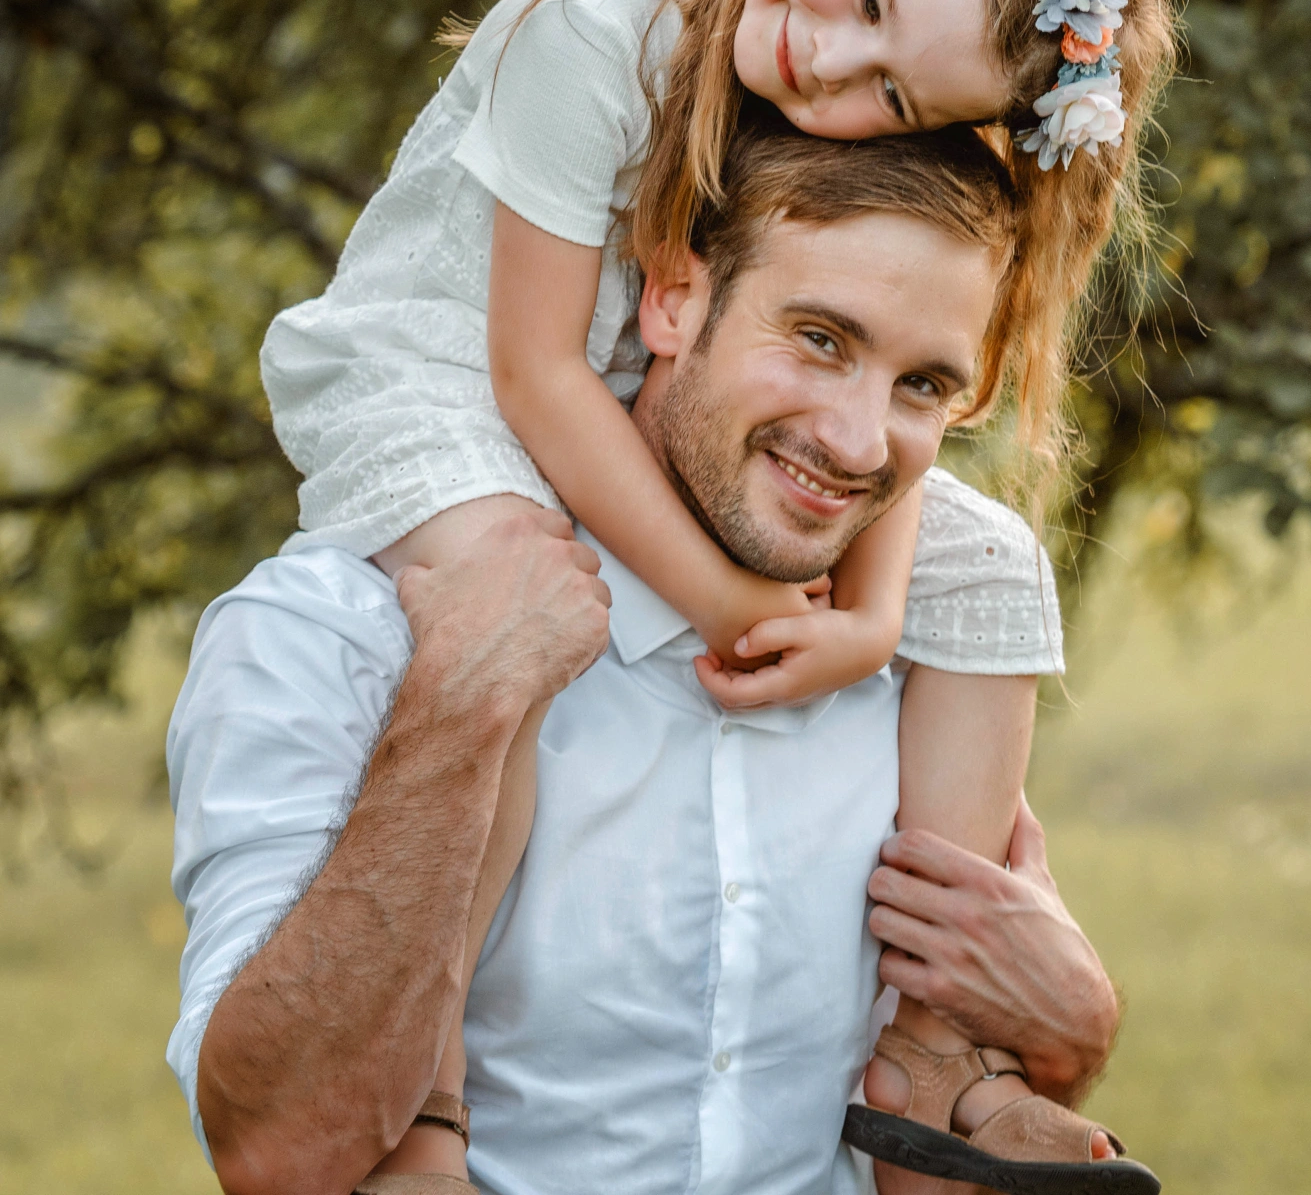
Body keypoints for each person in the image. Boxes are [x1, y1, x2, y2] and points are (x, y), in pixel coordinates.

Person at [257, 0, 1177, 1191]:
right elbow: (536, 376)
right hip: (455, 380)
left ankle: (937, 1057)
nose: (833, 71)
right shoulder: (600, 26)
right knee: (518, 611)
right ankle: (425, 1113)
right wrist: (747, 603)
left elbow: (884, 380)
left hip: (673, 371)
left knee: (988, 570)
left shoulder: (845, 79)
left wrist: (869, 618)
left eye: (898, 101)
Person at [171, 121, 1145, 1195]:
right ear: (674, 296)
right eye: (820, 338)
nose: (861, 443)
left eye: (921, 386)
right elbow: (275, 1151)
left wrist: (1071, 1041)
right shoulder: (337, 630)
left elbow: (940, 1130)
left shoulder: (939, 654)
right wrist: (461, 706)